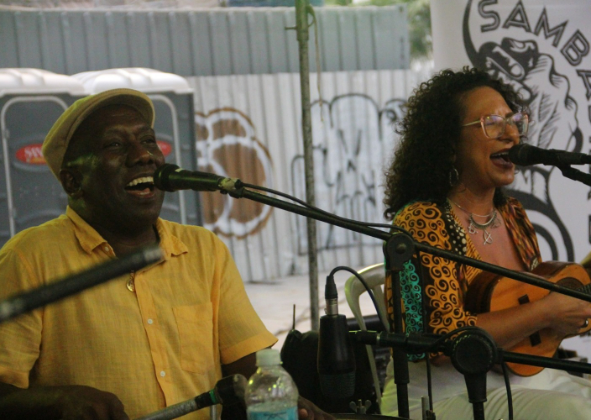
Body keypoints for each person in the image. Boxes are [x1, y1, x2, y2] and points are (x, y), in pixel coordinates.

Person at [0, 88, 332, 420]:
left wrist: (289, 405)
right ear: (73, 181)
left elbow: (250, 367)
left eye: (148, 141)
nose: (143, 156)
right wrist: (56, 400)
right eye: (115, 145)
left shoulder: (204, 250)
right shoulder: (28, 260)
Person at [379, 67, 591, 420]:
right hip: (446, 396)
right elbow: (442, 341)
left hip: (523, 382)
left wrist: (567, 317)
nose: (511, 135)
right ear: (449, 144)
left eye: (513, 121)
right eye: (491, 123)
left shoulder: (512, 215)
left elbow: (526, 328)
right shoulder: (422, 221)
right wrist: (549, 311)